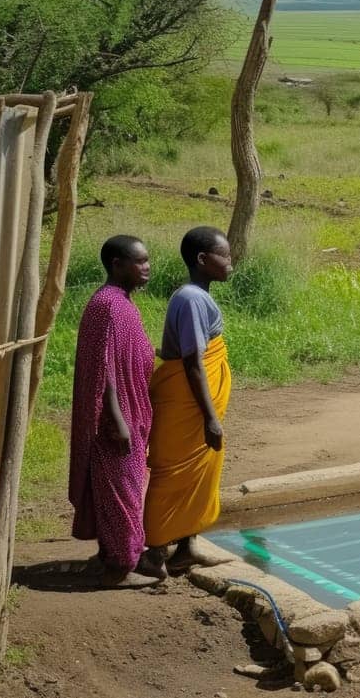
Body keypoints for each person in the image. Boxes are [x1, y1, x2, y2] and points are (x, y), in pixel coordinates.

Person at [69, 236, 160, 588]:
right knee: (122, 492)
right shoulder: (107, 306)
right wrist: (118, 419)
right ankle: (120, 567)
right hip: (117, 420)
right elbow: (103, 368)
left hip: (131, 414)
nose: (147, 267)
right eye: (140, 261)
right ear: (117, 264)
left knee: (120, 489)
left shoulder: (121, 304)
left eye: (147, 260)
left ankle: (114, 555)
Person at [145, 226, 233, 574]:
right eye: (224, 255)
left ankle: (186, 546)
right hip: (190, 405)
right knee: (173, 475)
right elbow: (194, 362)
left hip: (194, 403)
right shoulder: (192, 299)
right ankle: (154, 552)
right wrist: (210, 416)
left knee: (197, 473)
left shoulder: (195, 297)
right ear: (202, 259)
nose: (231, 262)